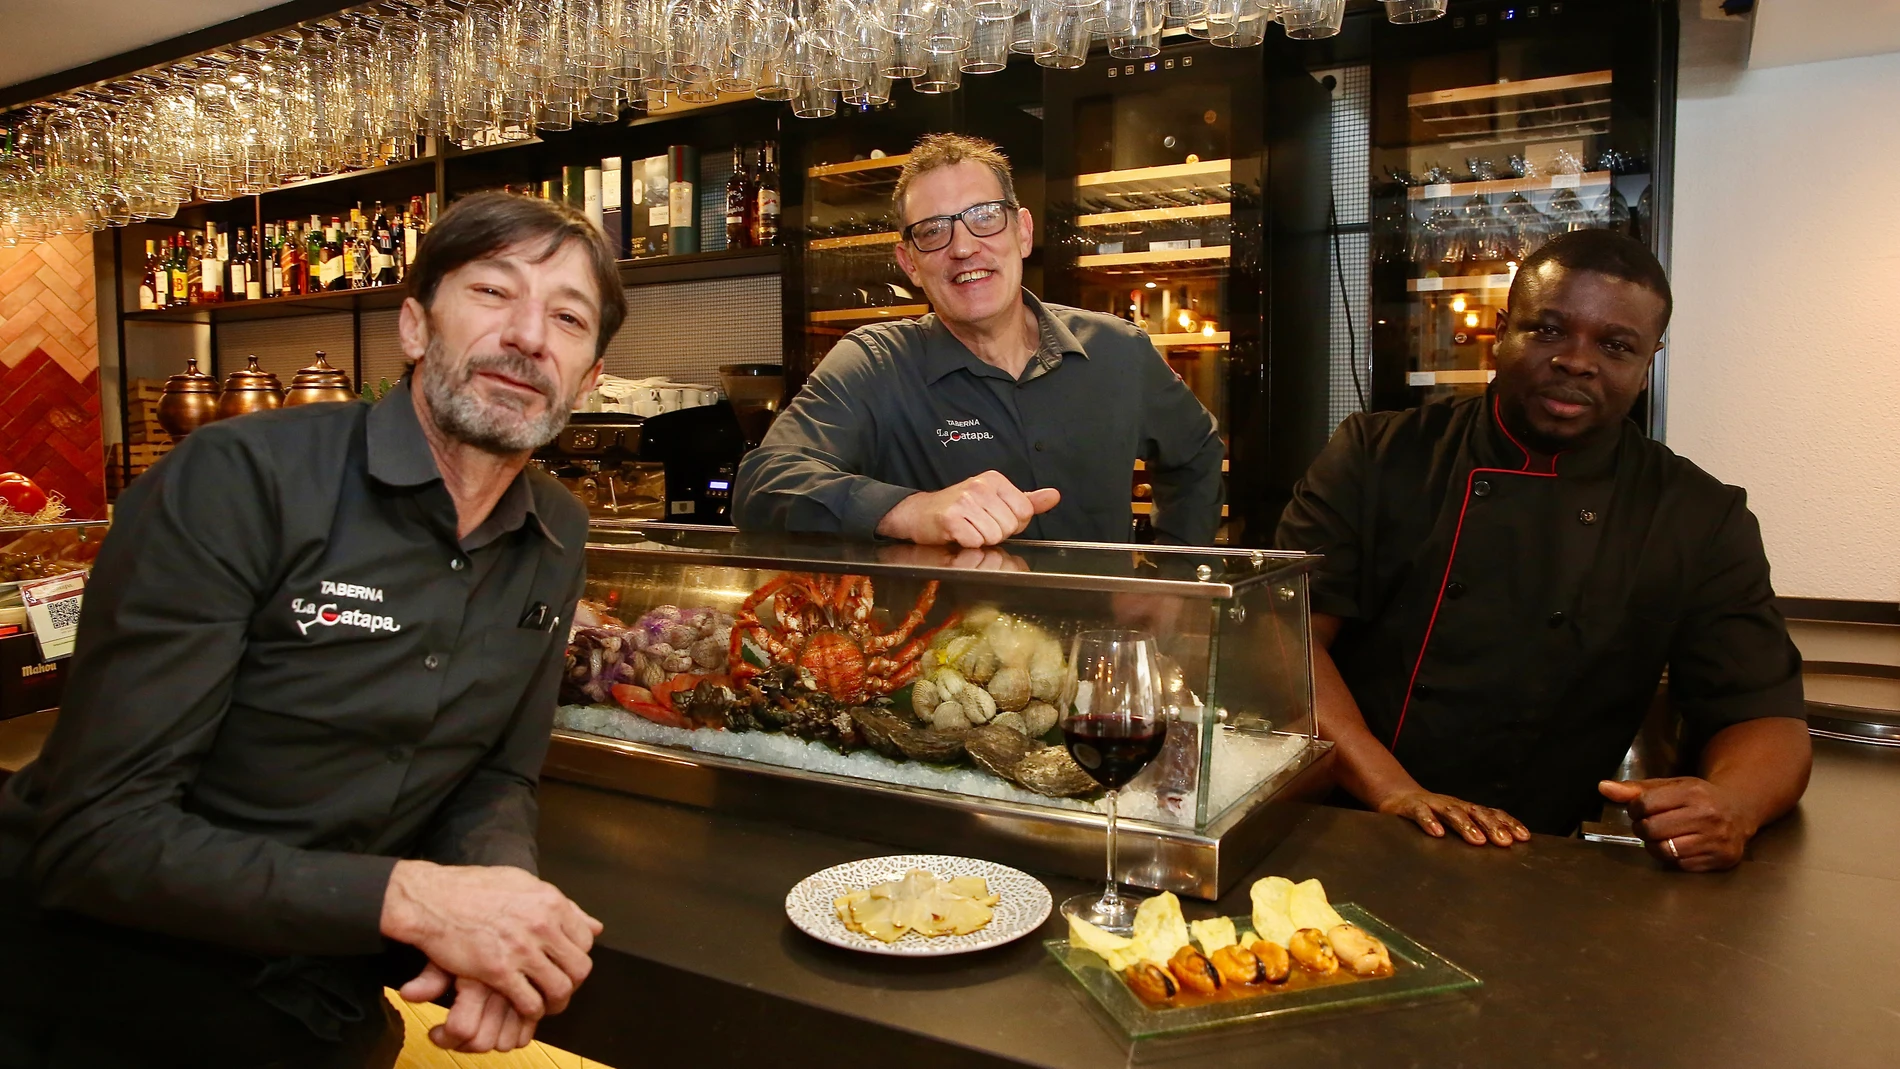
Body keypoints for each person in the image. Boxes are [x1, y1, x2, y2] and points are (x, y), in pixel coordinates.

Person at [0, 191, 627, 1067]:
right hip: (101, 1008)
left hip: (323, 1014)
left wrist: (501, 902)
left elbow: (496, 774)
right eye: (493, 293)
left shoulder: (554, 531)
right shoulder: (239, 478)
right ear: (415, 327)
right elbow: (96, 835)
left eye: (567, 317)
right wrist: (413, 900)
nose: (529, 336)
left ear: (589, 379)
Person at [1274, 229, 1810, 873]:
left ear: (1650, 362)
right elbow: (1287, 639)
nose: (1576, 361)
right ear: (1501, 333)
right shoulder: (1377, 456)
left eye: (1615, 345)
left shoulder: (1696, 514)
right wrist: (1395, 792)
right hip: (1345, 827)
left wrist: (1733, 804)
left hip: (1539, 860)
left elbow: (1765, 717)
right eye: (1549, 330)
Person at [734, 133, 1225, 548]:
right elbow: (762, 485)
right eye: (932, 231)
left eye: (986, 216)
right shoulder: (873, 364)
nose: (964, 248)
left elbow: (1198, 452)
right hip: (945, 657)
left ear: (1023, 232)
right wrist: (913, 511)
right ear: (910, 264)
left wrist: (1174, 576)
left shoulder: (1119, 350)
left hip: (1099, 649)